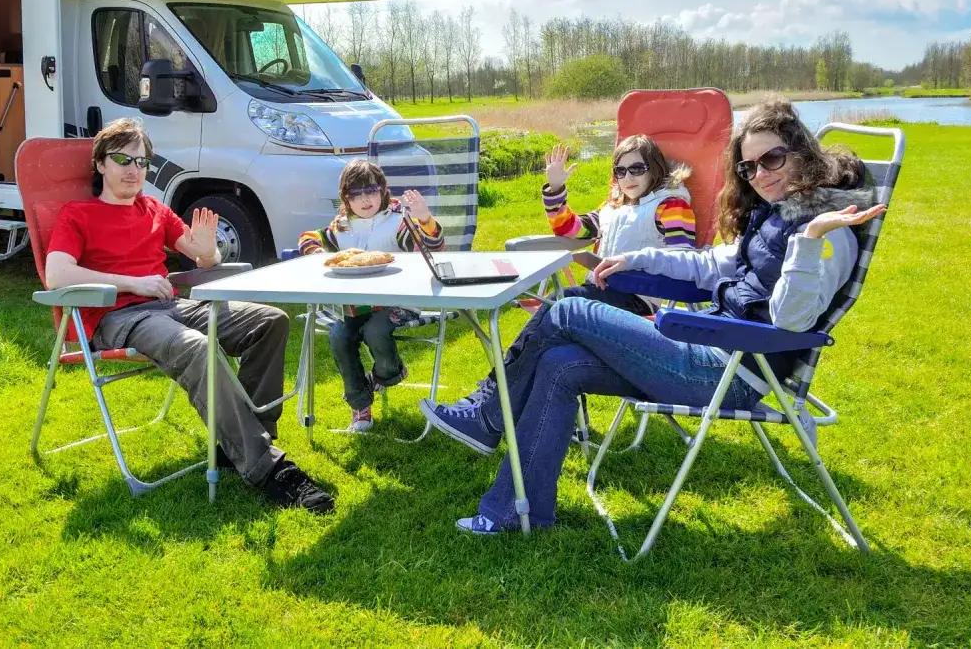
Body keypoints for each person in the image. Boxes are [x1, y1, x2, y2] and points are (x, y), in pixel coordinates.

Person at [422, 96, 886, 533]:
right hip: (705, 347)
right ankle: (515, 511)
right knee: (557, 364)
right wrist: (638, 260)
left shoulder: (828, 230)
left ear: (802, 154)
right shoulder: (775, 214)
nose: (760, 175)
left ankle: (485, 417)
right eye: (749, 166)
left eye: (772, 159)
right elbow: (709, 263)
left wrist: (808, 241)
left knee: (565, 311)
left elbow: (793, 322)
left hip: (729, 372)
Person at [44, 117, 334, 514]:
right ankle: (270, 469)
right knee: (198, 349)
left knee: (269, 321)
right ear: (100, 164)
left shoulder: (154, 210)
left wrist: (209, 250)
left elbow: (204, 256)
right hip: (118, 317)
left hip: (170, 305)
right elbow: (57, 274)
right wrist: (135, 282)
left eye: (142, 162)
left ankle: (246, 443)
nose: (134, 170)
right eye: (122, 160)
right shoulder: (77, 214)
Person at [442, 136, 697, 413]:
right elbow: (571, 230)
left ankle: (490, 398)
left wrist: (630, 266)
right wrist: (555, 187)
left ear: (655, 168)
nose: (627, 177)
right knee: (553, 346)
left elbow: (681, 260)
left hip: (636, 302)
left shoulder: (671, 206)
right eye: (620, 171)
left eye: (636, 168)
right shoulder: (611, 210)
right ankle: (512, 407)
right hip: (601, 296)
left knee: (558, 305)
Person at [298, 159, 445, 433]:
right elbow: (308, 237)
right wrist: (318, 253)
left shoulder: (398, 222)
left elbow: (431, 248)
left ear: (383, 191)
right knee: (339, 336)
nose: (365, 199)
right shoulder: (341, 227)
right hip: (356, 306)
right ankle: (359, 404)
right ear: (346, 198)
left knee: (375, 331)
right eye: (356, 194)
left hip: (399, 302)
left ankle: (388, 374)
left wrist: (424, 218)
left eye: (371, 191)